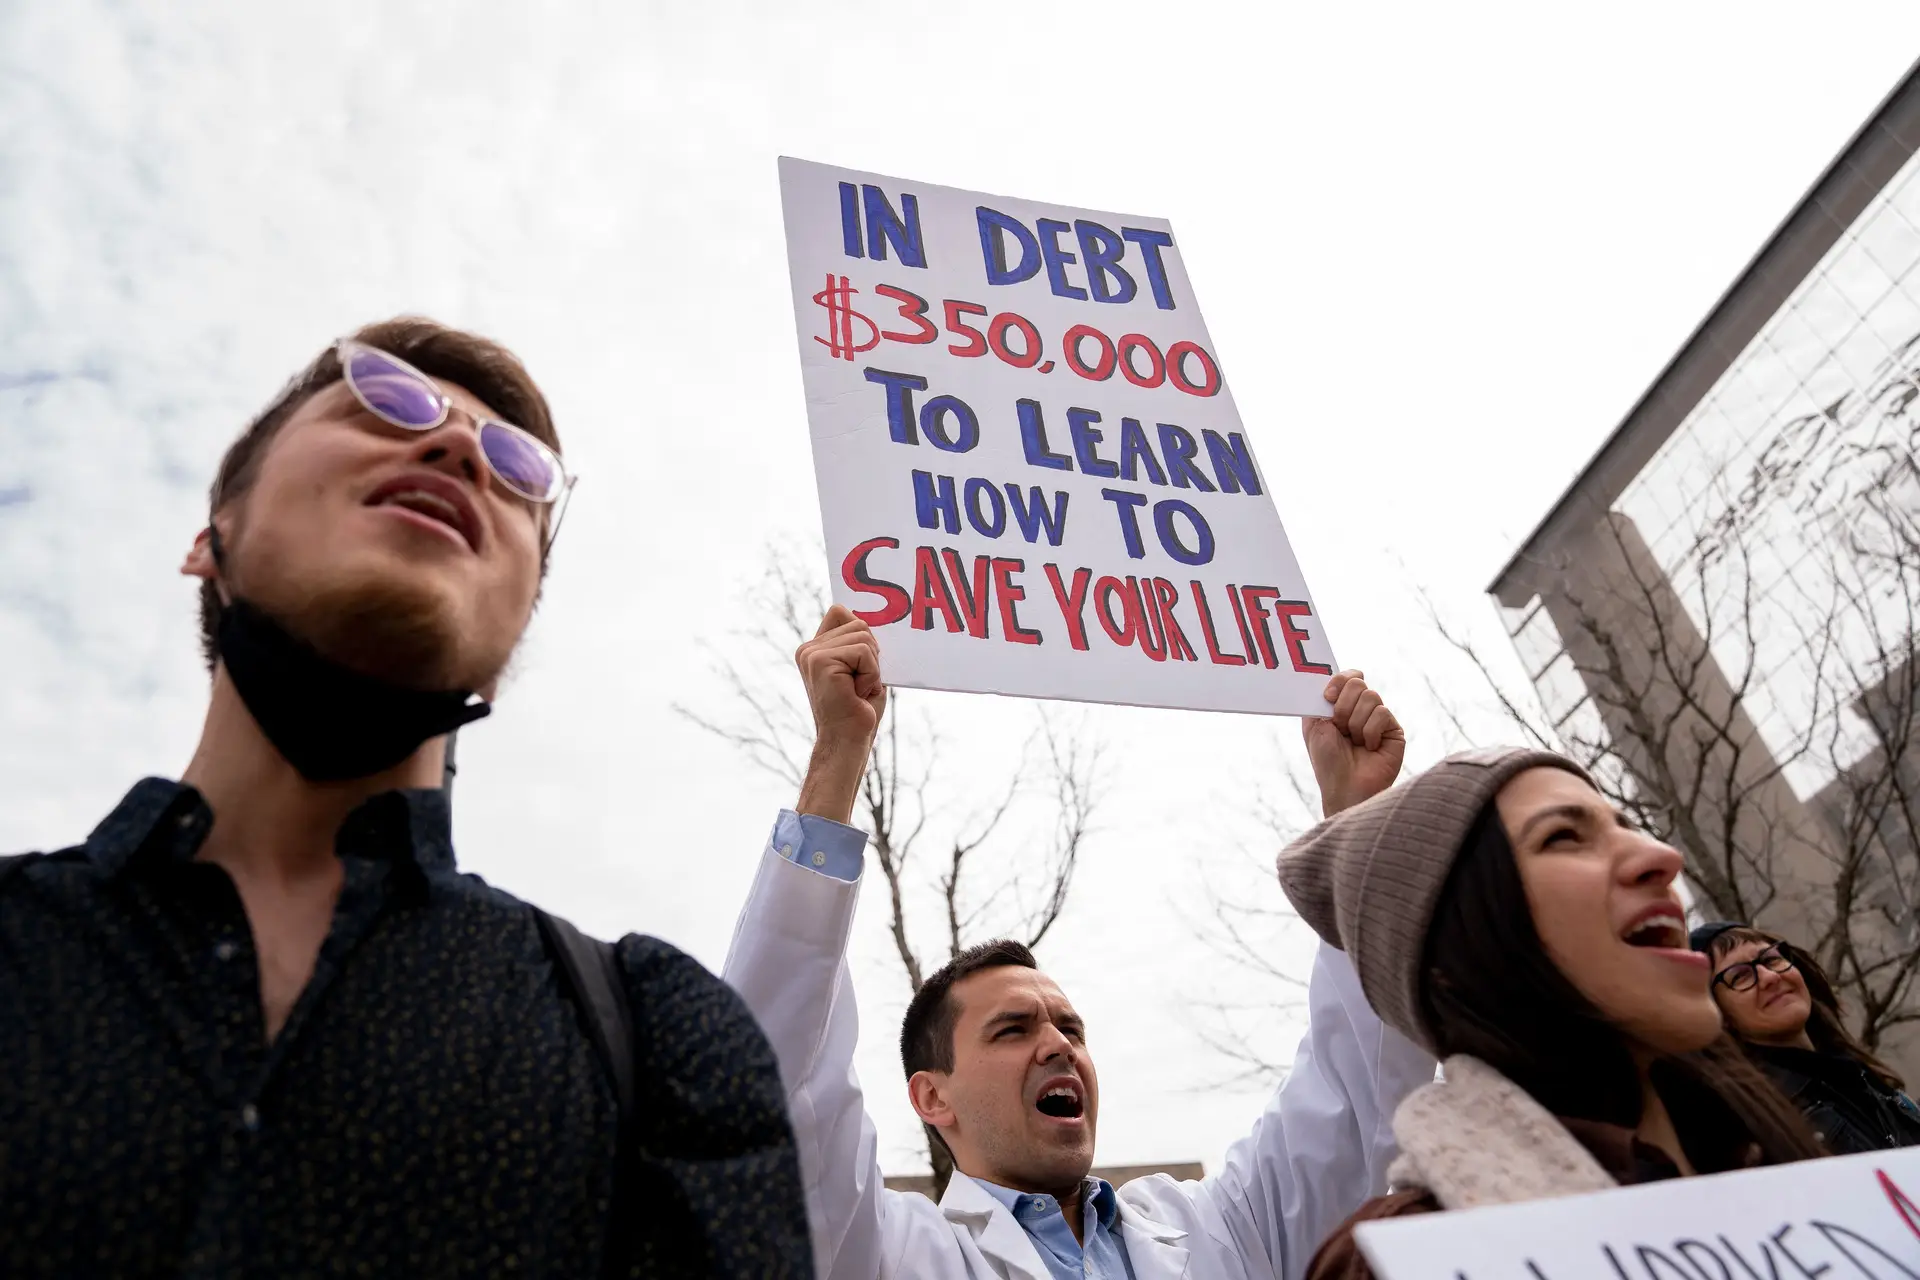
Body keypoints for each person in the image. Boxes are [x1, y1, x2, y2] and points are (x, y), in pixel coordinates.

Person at [0, 320, 812, 1279]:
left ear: (509, 648)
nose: (460, 445)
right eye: (381, 398)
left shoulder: (659, 1039)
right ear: (207, 541)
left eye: (516, 466)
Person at [721, 605, 1438, 1280]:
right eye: (1011, 1029)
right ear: (932, 1097)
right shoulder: (888, 1251)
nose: (1060, 1045)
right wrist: (838, 756)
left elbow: (1358, 1102)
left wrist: (1361, 822)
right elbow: (777, 1078)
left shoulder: (1221, 1230)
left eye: (1070, 1027)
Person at [1278, 749, 1829, 1280]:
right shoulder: (1397, 1258)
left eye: (1626, 825)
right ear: (1459, 949)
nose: (1662, 857)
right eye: (1563, 837)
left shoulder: (1802, 1165)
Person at [1692, 921, 1920, 1154]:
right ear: (1718, 1014)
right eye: (1740, 976)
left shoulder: (1859, 1073)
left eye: (1771, 959)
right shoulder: (1765, 1125)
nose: (1770, 977)